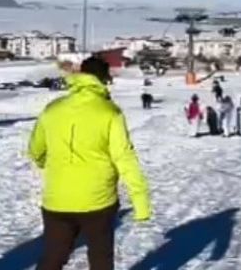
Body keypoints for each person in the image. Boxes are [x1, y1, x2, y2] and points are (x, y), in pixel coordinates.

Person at [27, 56, 151, 270]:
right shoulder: (109, 112)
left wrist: (52, 165)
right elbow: (124, 158)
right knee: (100, 258)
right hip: (98, 202)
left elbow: (36, 150)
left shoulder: (52, 109)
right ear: (104, 80)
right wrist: (140, 201)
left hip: (58, 199)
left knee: (53, 257)